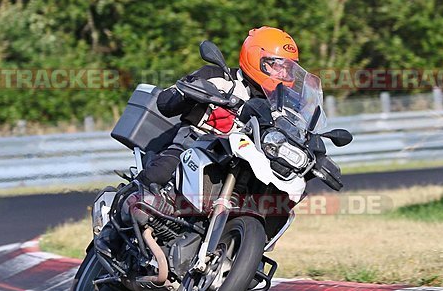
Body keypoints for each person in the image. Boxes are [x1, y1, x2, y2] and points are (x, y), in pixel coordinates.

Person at [95, 26, 300, 257]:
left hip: (245, 164)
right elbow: (165, 101)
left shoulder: (285, 106)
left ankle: (244, 254)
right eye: (276, 65)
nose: (282, 74)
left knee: (276, 201)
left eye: (288, 68)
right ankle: (110, 234)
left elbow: (300, 130)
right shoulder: (220, 77)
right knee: (160, 173)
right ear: (254, 57)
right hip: (195, 145)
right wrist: (189, 91)